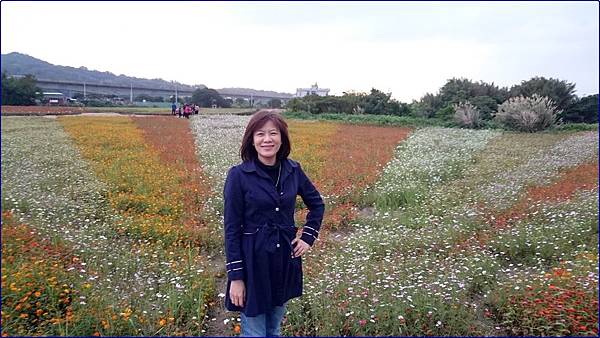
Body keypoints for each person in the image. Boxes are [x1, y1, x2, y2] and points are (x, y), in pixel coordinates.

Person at [223, 110, 325, 337]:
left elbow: (317, 204)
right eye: (260, 134)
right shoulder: (239, 175)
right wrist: (236, 278)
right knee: (255, 332)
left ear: (282, 138)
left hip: (283, 261)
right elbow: (231, 230)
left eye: (273, 133)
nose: (267, 139)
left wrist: (308, 237)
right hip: (252, 264)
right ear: (251, 139)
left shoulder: (293, 170)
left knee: (274, 329)